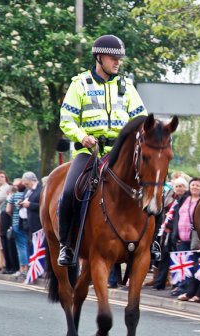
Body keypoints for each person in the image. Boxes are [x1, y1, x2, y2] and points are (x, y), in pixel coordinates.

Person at [57, 35, 147, 266]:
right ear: (99, 57)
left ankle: (152, 242)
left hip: (120, 152)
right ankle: (66, 246)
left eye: (120, 59)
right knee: (68, 192)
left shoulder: (126, 86)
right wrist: (81, 136)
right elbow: (66, 119)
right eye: (113, 58)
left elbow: (140, 117)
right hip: (89, 152)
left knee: (151, 185)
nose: (118, 62)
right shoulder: (80, 84)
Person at [7, 179, 28, 277]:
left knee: (20, 246)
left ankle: (23, 268)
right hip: (26, 223)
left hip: (16, 223)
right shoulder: (27, 195)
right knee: (26, 245)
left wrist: (13, 215)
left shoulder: (13, 196)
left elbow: (8, 209)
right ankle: (26, 267)